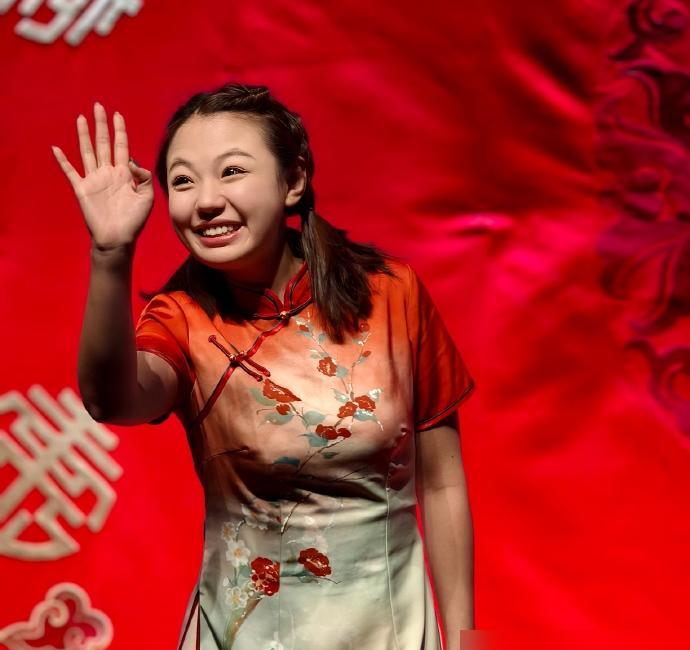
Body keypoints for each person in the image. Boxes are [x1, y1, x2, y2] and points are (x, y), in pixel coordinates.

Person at [51, 82, 477, 650]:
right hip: (242, 633)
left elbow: (443, 484)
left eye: (231, 171)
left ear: (293, 180)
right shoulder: (182, 319)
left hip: (392, 629)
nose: (205, 201)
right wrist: (110, 255)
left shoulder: (391, 294)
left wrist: (470, 641)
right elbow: (111, 401)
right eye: (183, 180)